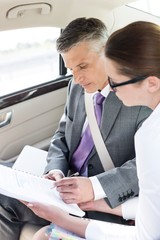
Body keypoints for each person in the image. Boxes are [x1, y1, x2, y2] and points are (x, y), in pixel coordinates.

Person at [0, 18, 152, 240]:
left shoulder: (139, 97)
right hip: (59, 186)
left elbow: (147, 166)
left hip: (102, 199)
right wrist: (55, 170)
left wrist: (94, 187)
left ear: (107, 52)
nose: (77, 77)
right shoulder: (76, 87)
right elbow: (62, 134)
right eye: (71, 68)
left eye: (83, 66)